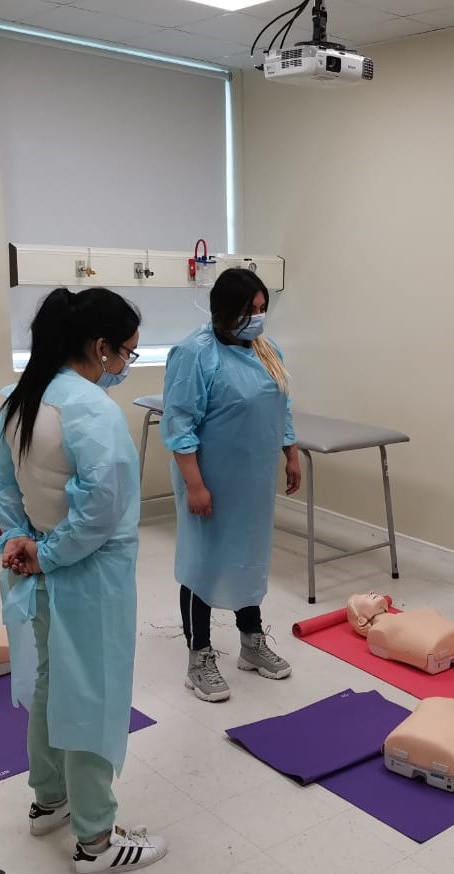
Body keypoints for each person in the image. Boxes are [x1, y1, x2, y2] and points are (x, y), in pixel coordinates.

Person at [0, 288, 167, 873]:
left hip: (39, 565)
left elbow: (2, 483)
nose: (125, 365)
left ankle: (50, 800)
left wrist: (22, 541)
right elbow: (100, 511)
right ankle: (96, 841)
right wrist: (48, 555)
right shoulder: (92, 411)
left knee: (50, 683)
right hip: (88, 575)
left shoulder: (20, 399)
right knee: (92, 695)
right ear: (100, 347)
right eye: (127, 354)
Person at [162, 268, 300, 703]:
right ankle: (198, 655)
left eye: (261, 308)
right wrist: (195, 486)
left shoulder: (267, 349)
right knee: (203, 562)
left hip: (254, 479)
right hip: (210, 479)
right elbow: (179, 424)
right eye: (248, 310)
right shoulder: (195, 353)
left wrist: (291, 452)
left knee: (249, 558)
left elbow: (281, 405)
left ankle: (251, 641)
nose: (257, 317)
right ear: (223, 310)